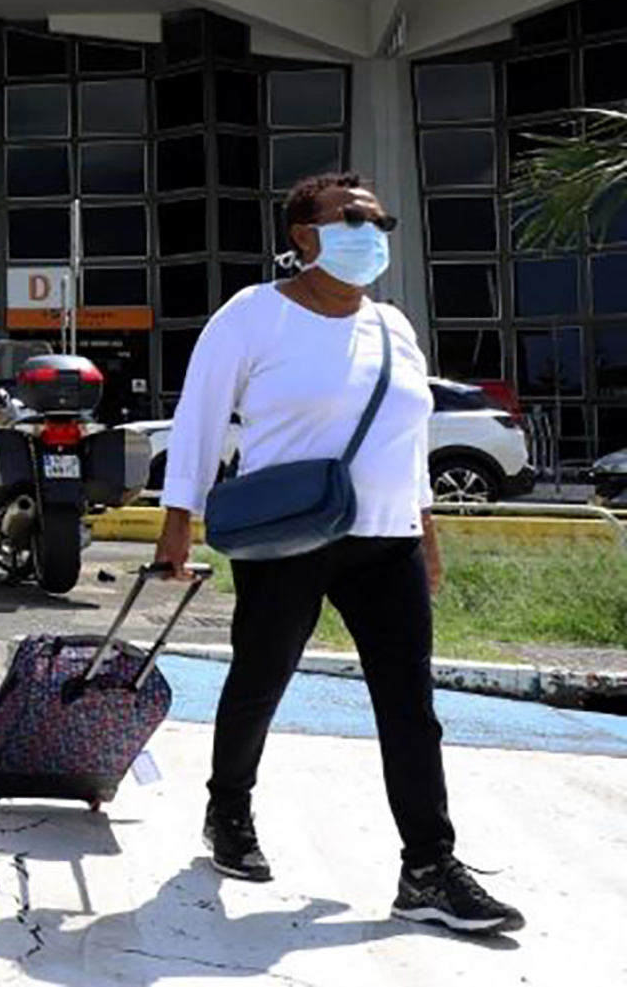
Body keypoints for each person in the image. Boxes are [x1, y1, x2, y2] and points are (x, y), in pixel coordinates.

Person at [154, 171, 523, 935]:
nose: (371, 231)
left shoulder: (394, 326)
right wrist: (176, 524)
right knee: (260, 680)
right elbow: (197, 418)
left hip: (385, 539)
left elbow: (407, 438)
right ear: (304, 235)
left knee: (410, 707)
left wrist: (425, 532)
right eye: (352, 217)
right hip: (289, 533)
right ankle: (229, 811)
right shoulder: (253, 315)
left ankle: (427, 865)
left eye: (380, 220)